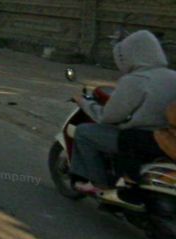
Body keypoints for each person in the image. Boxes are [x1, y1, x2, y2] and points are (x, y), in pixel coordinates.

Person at [70, 30, 176, 205]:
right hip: (168, 140)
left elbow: (108, 117)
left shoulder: (135, 80)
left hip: (140, 140)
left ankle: (98, 184)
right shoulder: (173, 76)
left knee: (83, 132)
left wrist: (84, 103)